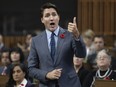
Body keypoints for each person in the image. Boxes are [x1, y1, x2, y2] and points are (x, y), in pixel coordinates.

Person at [28, 2, 86, 87]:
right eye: (47, 15)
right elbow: (31, 69)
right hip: (47, 84)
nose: (51, 18)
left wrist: (77, 35)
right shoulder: (36, 41)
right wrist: (47, 75)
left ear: (58, 17)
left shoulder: (70, 35)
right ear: (42, 20)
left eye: (54, 15)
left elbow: (81, 54)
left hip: (70, 84)